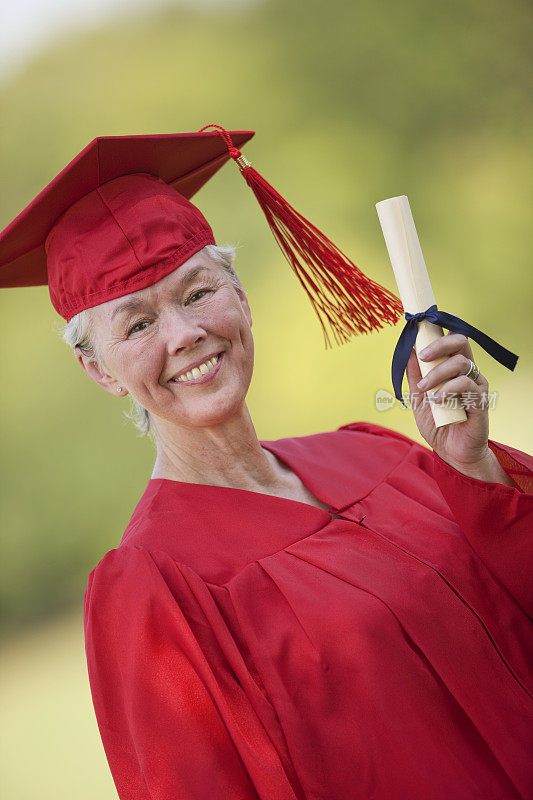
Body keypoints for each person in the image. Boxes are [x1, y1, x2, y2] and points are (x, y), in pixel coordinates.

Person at [1, 127, 532, 800]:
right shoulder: (152, 590)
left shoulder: (375, 452)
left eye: (197, 292)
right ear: (97, 370)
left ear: (240, 295)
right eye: (137, 324)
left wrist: (472, 467)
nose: (184, 333)